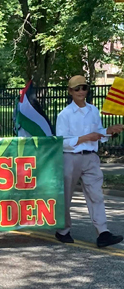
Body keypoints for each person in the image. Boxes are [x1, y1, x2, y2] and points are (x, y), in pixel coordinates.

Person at [55, 75, 124, 248]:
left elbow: (98, 132)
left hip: (91, 157)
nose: (81, 91)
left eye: (84, 88)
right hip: (70, 158)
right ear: (70, 91)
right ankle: (63, 230)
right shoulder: (65, 115)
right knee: (66, 195)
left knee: (96, 195)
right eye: (76, 89)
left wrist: (109, 131)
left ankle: (103, 233)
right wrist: (86, 138)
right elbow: (61, 141)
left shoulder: (93, 110)